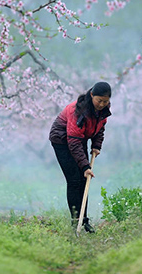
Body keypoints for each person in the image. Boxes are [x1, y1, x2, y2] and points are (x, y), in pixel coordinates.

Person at [49, 81, 112, 233]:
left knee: (85, 180)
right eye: (99, 100)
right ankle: (75, 221)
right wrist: (85, 166)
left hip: (79, 139)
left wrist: (96, 145)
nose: (102, 104)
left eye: (105, 101)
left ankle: (84, 221)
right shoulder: (77, 111)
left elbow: (100, 128)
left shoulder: (104, 110)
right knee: (75, 180)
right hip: (62, 140)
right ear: (91, 96)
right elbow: (73, 142)